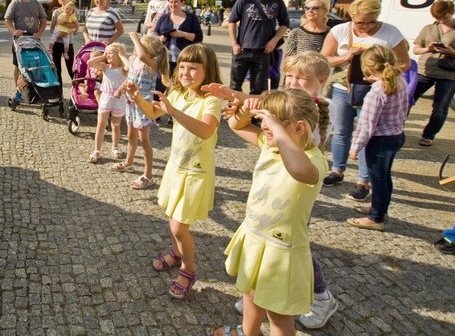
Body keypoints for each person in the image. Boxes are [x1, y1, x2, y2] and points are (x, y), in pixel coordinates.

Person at [216, 90, 327, 336]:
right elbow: (236, 125)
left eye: (273, 121)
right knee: (250, 294)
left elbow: (298, 170)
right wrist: (246, 111)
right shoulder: (271, 144)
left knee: (278, 315)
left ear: (298, 128)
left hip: (281, 250)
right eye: (264, 120)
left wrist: (276, 129)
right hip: (256, 238)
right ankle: (248, 332)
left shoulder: (313, 160)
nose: (264, 126)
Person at [124, 44, 223, 299]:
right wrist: (137, 97)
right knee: (172, 219)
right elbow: (155, 112)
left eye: (193, 68)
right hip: (176, 167)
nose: (186, 73)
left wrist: (174, 112)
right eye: (182, 67)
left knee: (180, 227)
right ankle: (177, 251)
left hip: (196, 174)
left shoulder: (211, 99)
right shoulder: (178, 92)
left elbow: (205, 130)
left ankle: (188, 269)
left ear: (208, 70)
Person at [320, 0, 410, 201]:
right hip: (344, 87)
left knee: (367, 133)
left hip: (375, 90)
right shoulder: (340, 30)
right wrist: (346, 57)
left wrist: (380, 74)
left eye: (372, 21)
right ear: (352, 17)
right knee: (341, 132)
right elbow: (324, 58)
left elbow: (404, 63)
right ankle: (337, 170)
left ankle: (363, 181)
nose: (367, 27)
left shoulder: (391, 32)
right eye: (360, 22)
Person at [346, 46, 408, 231]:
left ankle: (376, 218)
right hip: (396, 135)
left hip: (380, 140)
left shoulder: (376, 93)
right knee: (385, 176)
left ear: (368, 66)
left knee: (377, 179)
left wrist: (355, 146)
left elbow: (366, 124)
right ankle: (380, 208)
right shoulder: (399, 80)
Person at [108, 33, 170, 190]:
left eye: (139, 46)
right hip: (131, 103)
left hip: (144, 105)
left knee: (144, 141)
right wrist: (121, 89)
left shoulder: (151, 64)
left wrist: (135, 38)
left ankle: (148, 175)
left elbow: (142, 56)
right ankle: (128, 162)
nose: (135, 48)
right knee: (130, 135)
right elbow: (130, 78)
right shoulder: (135, 60)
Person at [226, 0, 289, 95]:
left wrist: (274, 40)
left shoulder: (277, 2)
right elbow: (232, 21)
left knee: (259, 89)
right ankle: (233, 112)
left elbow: (285, 24)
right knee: (234, 87)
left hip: (263, 52)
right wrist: (234, 43)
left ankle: (255, 114)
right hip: (242, 50)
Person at [411, 0, 455, 146]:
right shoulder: (429, 28)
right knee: (407, 100)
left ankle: (429, 135)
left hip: (448, 74)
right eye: (438, 17)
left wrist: (451, 52)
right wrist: (427, 49)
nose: (441, 20)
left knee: (440, 107)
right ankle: (397, 127)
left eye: (445, 17)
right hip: (425, 69)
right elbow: (416, 49)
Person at [5, 0, 47, 102]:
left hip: (33, 39)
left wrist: (39, 33)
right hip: (19, 40)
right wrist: (14, 31)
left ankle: (34, 90)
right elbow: (7, 20)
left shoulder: (36, 4)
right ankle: (18, 90)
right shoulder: (15, 3)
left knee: (35, 64)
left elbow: (43, 20)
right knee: (18, 65)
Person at [87, 43, 128, 163]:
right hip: (106, 98)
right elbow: (90, 63)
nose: (108, 55)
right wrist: (103, 55)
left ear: (119, 54)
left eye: (111, 53)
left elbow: (130, 68)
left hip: (119, 99)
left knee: (116, 125)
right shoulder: (105, 67)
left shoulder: (124, 69)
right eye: (107, 52)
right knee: (101, 125)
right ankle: (97, 150)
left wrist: (122, 56)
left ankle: (115, 146)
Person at [155, 0, 203, 77]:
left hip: (184, 60)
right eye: (171, 2)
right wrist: (160, 38)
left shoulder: (191, 18)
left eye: (176, 2)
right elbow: (155, 34)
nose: (173, 5)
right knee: (163, 85)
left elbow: (199, 37)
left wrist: (183, 34)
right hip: (165, 59)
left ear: (182, 2)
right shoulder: (163, 18)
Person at [49, 0, 79, 84]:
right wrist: (59, 34)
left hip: (68, 43)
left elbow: (74, 25)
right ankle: (59, 93)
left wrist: (62, 25)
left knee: (71, 68)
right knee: (57, 69)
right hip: (57, 43)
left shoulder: (74, 11)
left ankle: (77, 90)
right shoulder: (56, 12)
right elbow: (52, 28)